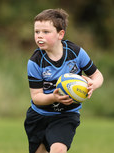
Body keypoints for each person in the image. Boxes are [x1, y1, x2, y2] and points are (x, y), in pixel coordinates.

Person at [24, 8, 104, 153]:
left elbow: (97, 75)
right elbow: (36, 97)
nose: (39, 36)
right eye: (37, 32)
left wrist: (93, 84)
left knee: (59, 150)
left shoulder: (76, 53)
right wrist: (53, 98)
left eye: (46, 32)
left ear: (60, 34)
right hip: (39, 116)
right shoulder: (35, 62)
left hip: (66, 115)